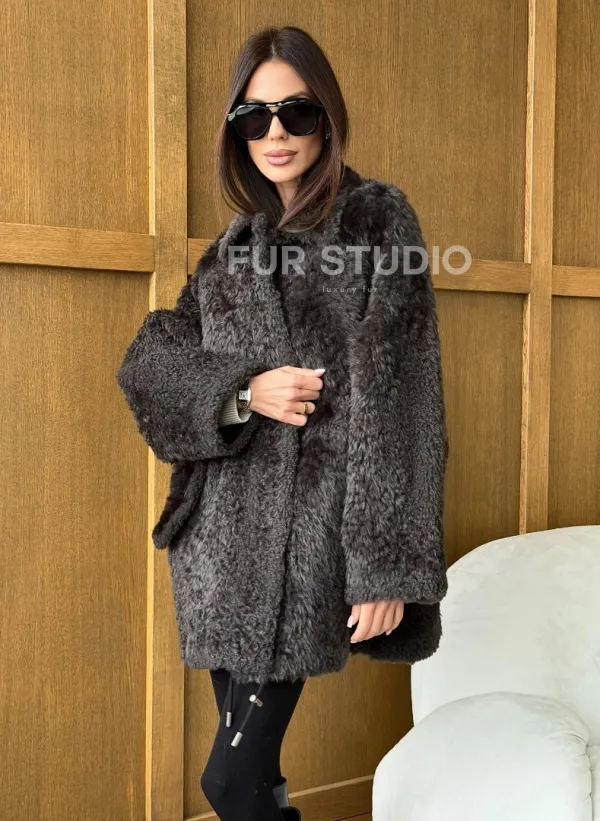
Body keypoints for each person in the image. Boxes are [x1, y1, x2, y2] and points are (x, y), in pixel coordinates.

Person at [116, 25, 449, 821]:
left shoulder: (374, 221)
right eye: (253, 117)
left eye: (295, 113)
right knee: (254, 784)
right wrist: (244, 389)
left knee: (228, 784)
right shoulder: (233, 249)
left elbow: (405, 399)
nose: (275, 133)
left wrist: (386, 567)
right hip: (219, 552)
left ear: (326, 119)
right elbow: (150, 361)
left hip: (308, 546)